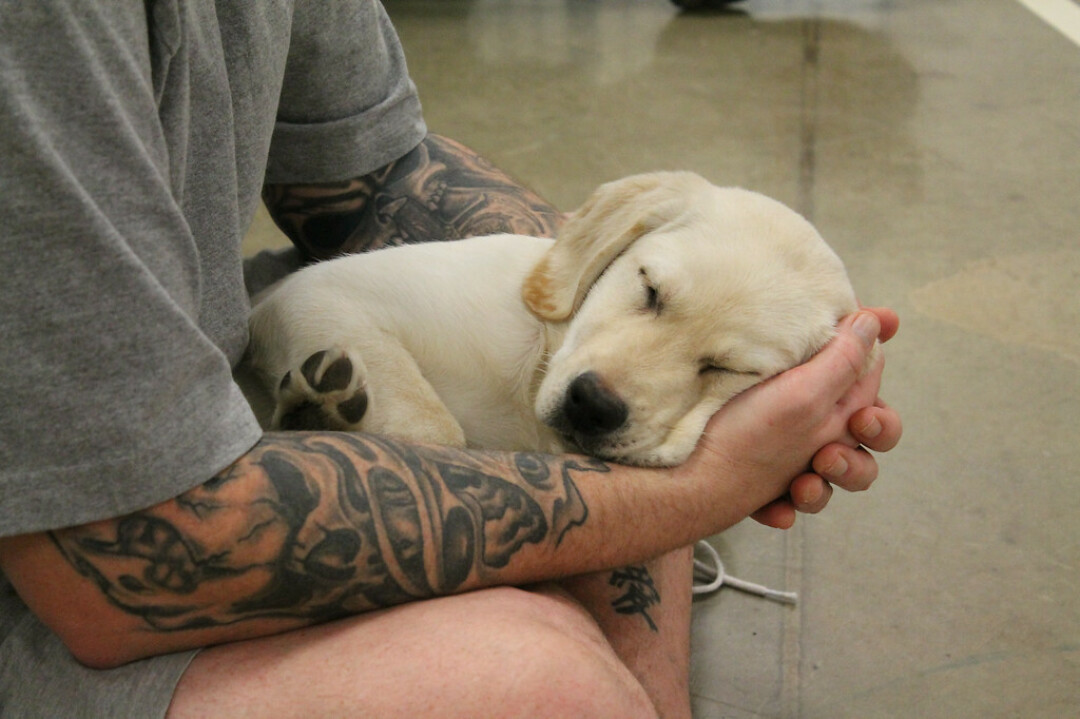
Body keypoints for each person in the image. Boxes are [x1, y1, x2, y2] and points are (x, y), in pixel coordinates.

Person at [0, 3, 901, 718]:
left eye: (724, 365)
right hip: (68, 558)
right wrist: (699, 491)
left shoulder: (620, 278)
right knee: (542, 680)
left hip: (200, 419)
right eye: (650, 294)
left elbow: (381, 173)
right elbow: (111, 568)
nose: (614, 383)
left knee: (594, 597)